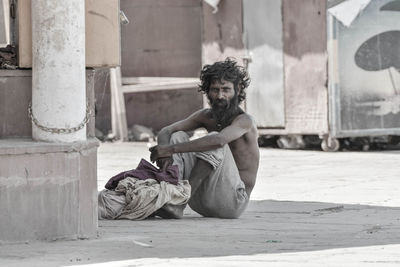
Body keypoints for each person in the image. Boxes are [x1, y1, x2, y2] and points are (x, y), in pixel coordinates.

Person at [149, 58, 260, 219]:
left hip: (233, 201)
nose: (220, 95)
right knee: (177, 136)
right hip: (201, 200)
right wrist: (165, 155)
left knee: (214, 140)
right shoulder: (206, 116)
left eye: (226, 90)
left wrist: (170, 149)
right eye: (215, 90)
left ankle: (179, 203)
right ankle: (172, 197)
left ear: (238, 89)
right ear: (207, 91)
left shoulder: (245, 121)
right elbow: (166, 131)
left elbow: (219, 141)